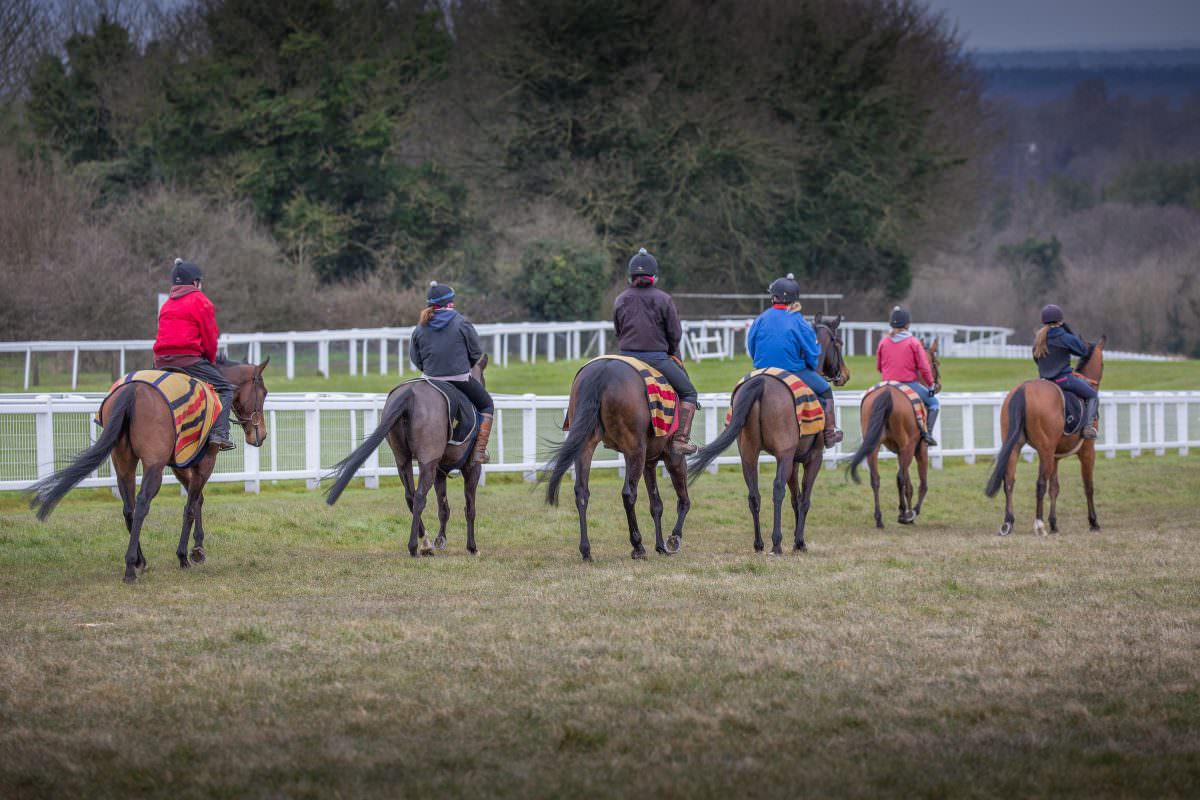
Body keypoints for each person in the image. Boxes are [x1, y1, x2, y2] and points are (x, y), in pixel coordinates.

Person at [613, 247, 699, 455]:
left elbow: (618, 330)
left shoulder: (620, 299)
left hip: (625, 359)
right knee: (689, 392)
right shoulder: (664, 299)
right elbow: (674, 334)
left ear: (630, 276)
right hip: (656, 359)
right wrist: (669, 351)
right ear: (654, 276)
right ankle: (679, 439)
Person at [745, 274, 843, 447]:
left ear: (774, 296)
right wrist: (812, 367)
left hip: (762, 370)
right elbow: (812, 352)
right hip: (792, 370)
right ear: (793, 298)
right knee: (826, 389)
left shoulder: (760, 318)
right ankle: (829, 432)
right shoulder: (798, 320)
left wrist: (760, 364)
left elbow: (751, 346)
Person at [153, 258, 236, 450]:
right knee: (225, 388)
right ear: (195, 283)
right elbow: (209, 337)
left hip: (160, 362)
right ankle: (220, 434)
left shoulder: (166, 304)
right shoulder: (200, 300)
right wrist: (210, 360)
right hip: (188, 360)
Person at [409, 281, 494, 465]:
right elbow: (476, 353)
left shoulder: (420, 326)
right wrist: (464, 368)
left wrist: (431, 371)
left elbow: (415, 358)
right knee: (487, 404)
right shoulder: (462, 322)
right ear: (449, 303)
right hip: (459, 379)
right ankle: (479, 451)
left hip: (430, 380)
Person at [875, 306, 939, 446]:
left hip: (887, 384)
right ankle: (927, 434)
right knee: (934, 403)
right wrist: (930, 384)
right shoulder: (913, 342)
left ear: (892, 324)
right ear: (908, 324)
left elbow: (879, 367)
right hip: (908, 384)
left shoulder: (883, 342)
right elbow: (924, 367)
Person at [1033, 303, 1098, 439]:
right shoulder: (1064, 337)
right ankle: (1088, 428)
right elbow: (1083, 351)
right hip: (1064, 380)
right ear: (1060, 320)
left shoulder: (1039, 339)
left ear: (1043, 321)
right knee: (1092, 395)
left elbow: (1036, 359)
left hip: (1044, 382)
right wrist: (1069, 333)